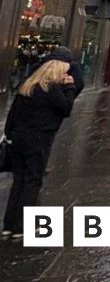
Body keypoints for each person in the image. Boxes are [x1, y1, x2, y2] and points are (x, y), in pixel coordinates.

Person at [1, 60, 78, 239]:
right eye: (64, 73)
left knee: (18, 181)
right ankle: (22, 227)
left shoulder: (26, 87)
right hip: (37, 140)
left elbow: (12, 114)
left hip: (18, 139)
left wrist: (10, 135)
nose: (65, 76)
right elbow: (66, 108)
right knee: (32, 181)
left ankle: (8, 225)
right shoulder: (50, 89)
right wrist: (70, 87)